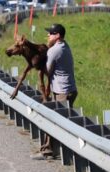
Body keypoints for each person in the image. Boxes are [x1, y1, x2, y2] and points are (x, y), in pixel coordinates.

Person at [31, 23, 77, 160]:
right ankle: (51, 150)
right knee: (58, 121)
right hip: (68, 89)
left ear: (57, 36)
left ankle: (49, 152)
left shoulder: (54, 50)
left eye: (50, 33)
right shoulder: (64, 45)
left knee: (55, 121)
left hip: (62, 92)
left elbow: (48, 71)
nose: (48, 35)